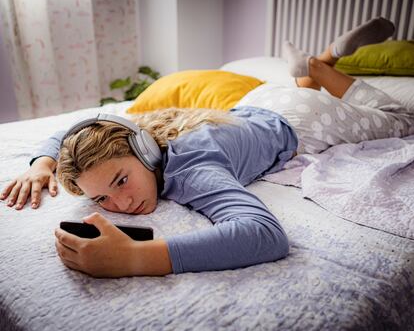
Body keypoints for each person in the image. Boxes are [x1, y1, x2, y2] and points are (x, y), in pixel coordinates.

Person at [1, 18, 412, 278]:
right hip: (258, 103)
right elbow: (80, 131)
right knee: (302, 93)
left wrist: (135, 258)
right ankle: (308, 69)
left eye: (121, 181)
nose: (121, 203)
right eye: (103, 197)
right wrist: (43, 164)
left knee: (403, 119)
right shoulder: (133, 139)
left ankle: (322, 64)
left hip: (302, 118)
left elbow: (266, 235)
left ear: (145, 152)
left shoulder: (195, 170)